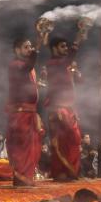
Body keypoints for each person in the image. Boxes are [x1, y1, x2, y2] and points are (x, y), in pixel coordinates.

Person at [43, 27, 86, 181]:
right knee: (60, 142)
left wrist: (77, 75)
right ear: (54, 48)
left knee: (73, 140)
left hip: (70, 107)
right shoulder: (53, 63)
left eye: (67, 46)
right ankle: (60, 172)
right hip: (58, 108)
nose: (66, 49)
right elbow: (68, 59)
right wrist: (78, 40)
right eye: (63, 46)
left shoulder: (64, 65)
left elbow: (79, 82)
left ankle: (72, 172)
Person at [6, 35, 43, 186]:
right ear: (17, 50)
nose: (30, 49)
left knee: (31, 147)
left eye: (30, 47)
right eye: (26, 47)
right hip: (20, 114)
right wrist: (38, 45)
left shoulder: (28, 68)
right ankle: (21, 179)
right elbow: (27, 67)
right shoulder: (15, 65)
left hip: (30, 113)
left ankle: (27, 178)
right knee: (21, 147)